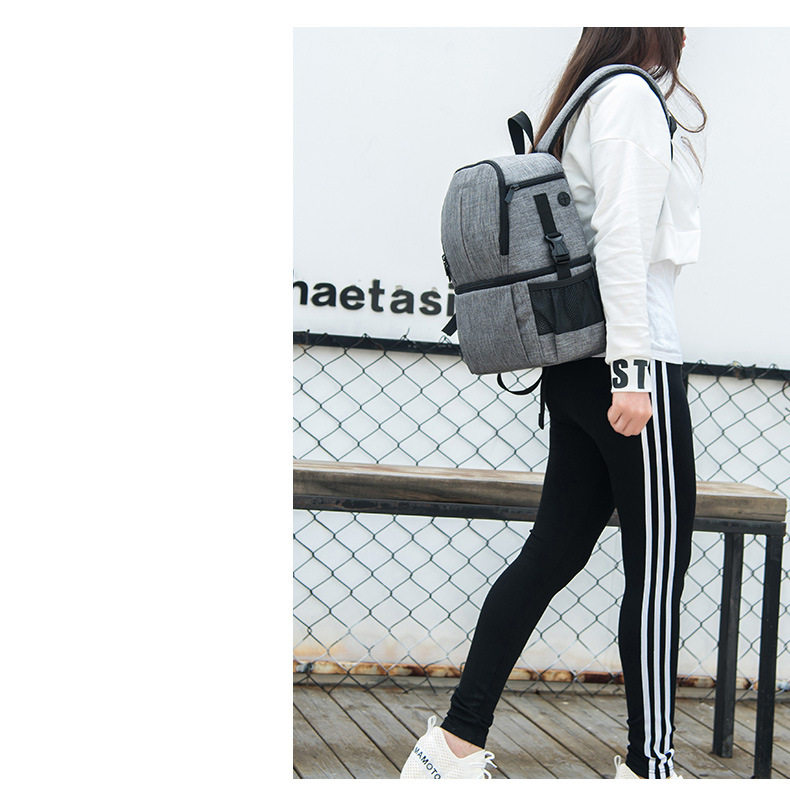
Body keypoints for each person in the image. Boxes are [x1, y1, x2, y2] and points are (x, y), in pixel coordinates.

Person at [400, 27, 707, 780]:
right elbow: (622, 239)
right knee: (656, 576)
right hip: (629, 369)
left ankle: (452, 749)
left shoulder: (581, 99)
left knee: (553, 553)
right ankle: (652, 769)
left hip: (577, 369)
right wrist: (633, 372)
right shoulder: (629, 96)